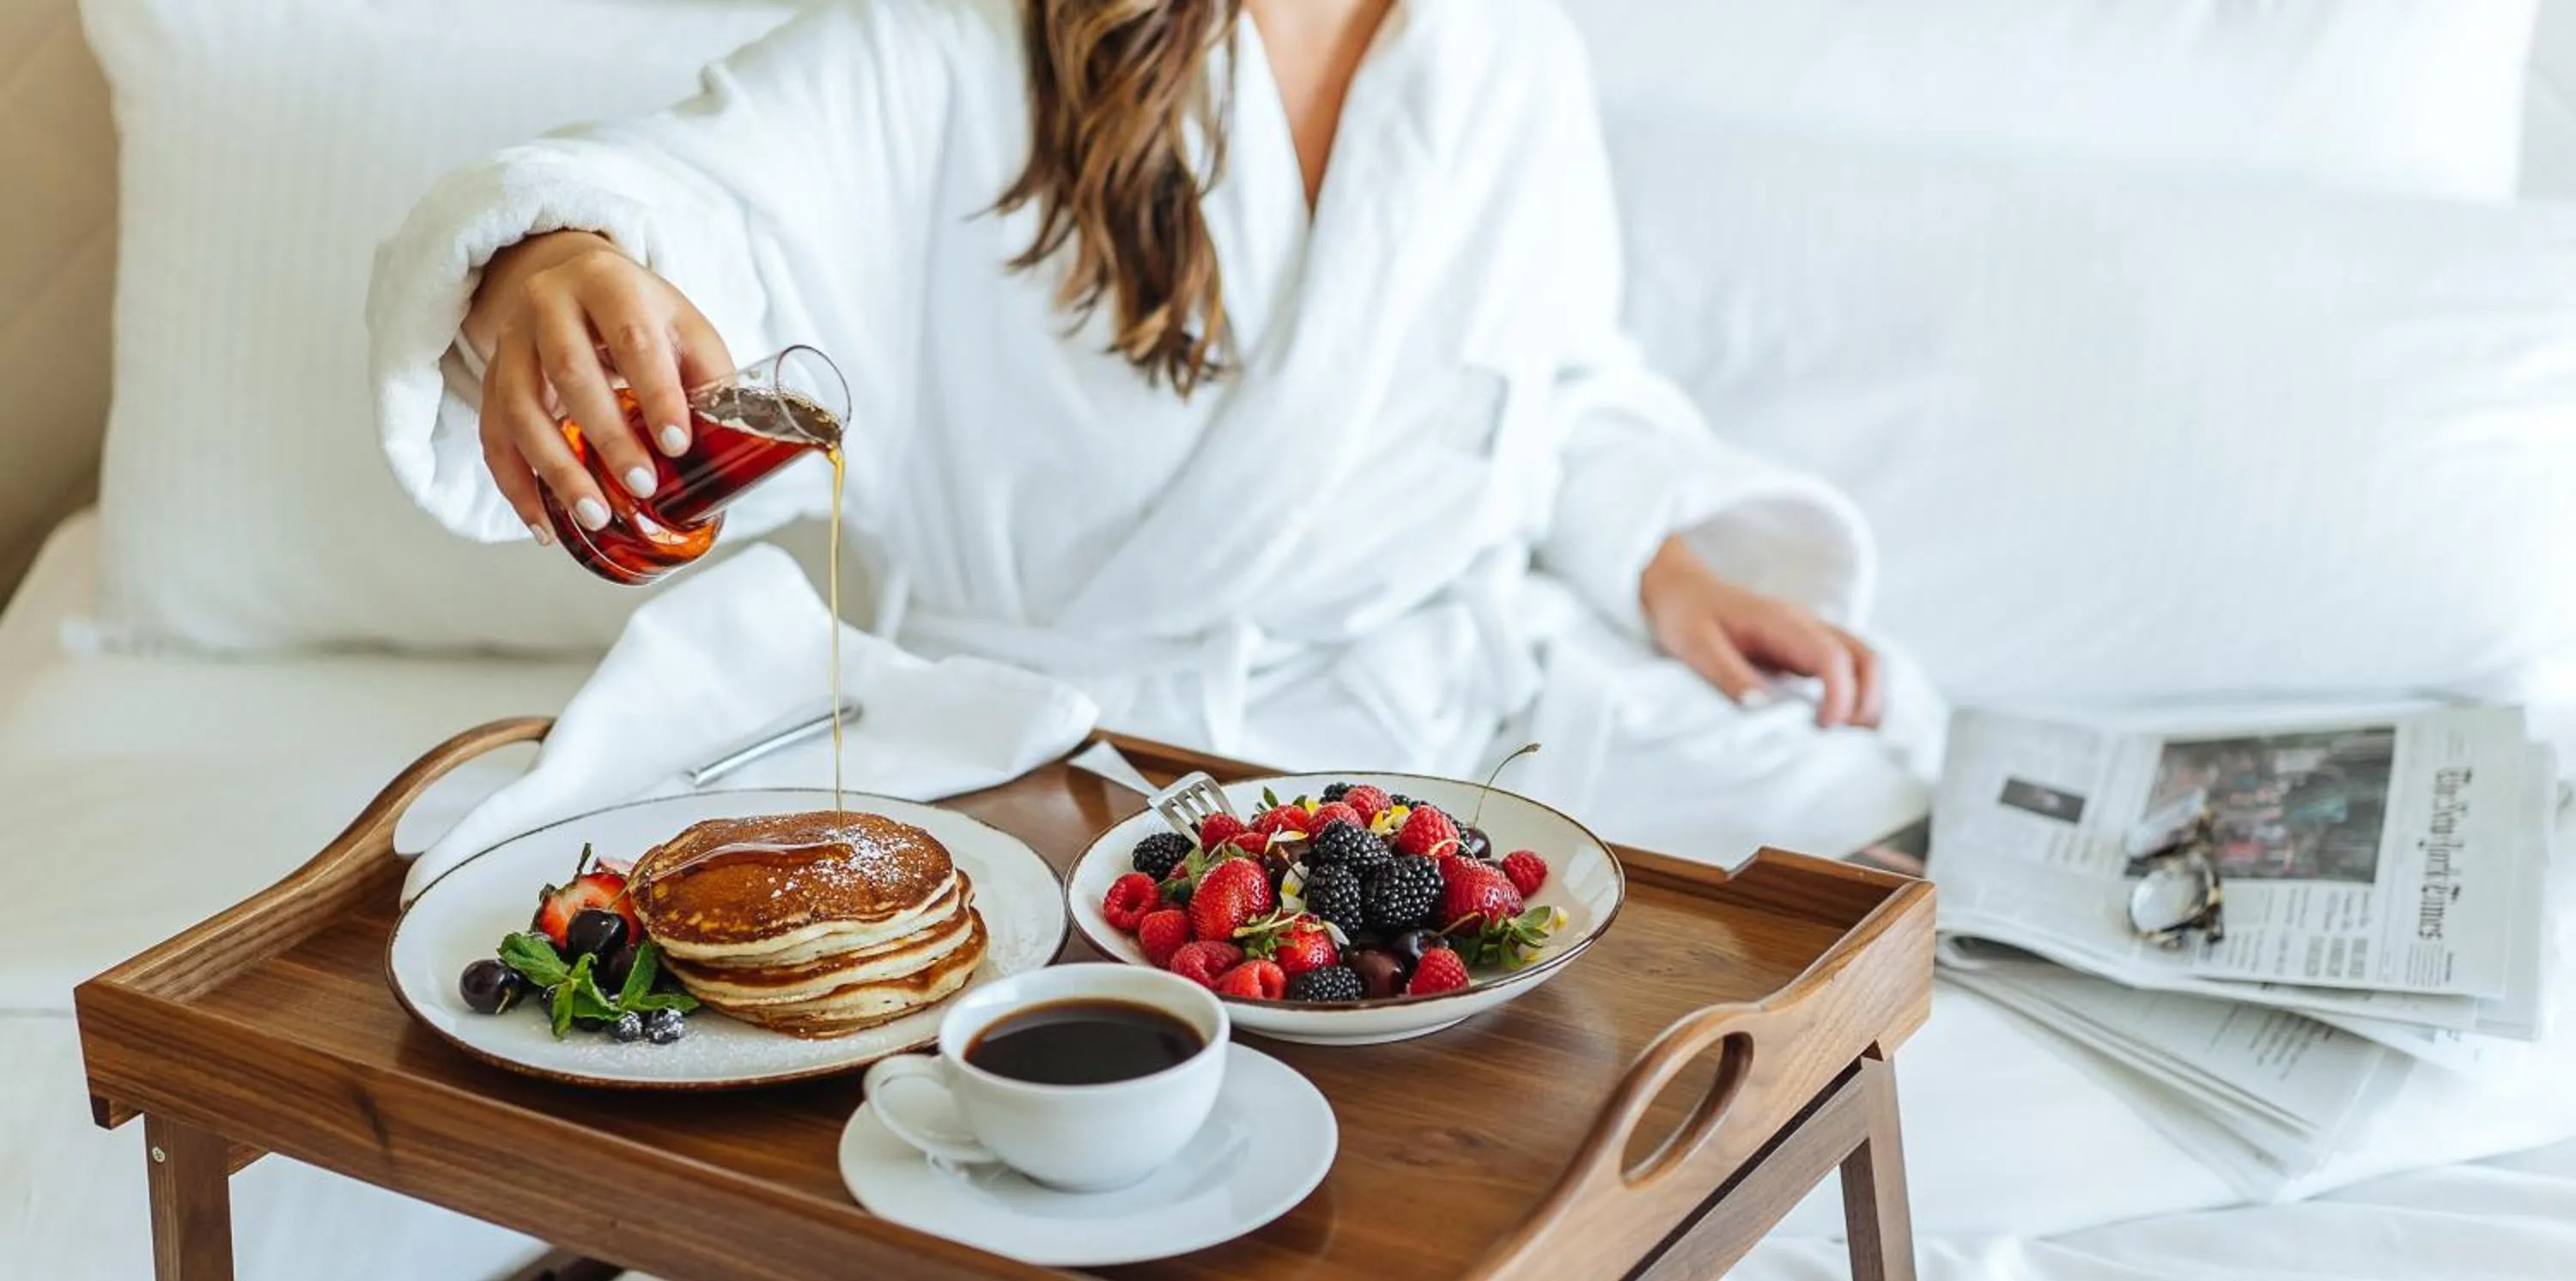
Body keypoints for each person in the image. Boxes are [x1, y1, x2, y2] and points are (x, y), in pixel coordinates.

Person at [371, 0, 1923, 855]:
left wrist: (1661, 562)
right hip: (1078, 746)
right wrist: (550, 266)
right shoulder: (952, 42)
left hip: (1442, 688)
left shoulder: (1500, 47)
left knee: (1874, 763)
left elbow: (1549, 380)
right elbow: (699, 196)